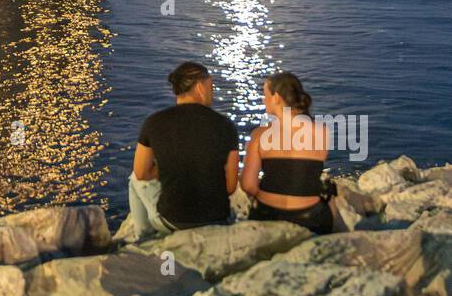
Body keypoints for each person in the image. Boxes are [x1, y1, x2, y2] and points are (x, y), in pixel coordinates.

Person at [129, 60, 240, 236]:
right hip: (217, 219)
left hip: (172, 221)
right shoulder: (226, 125)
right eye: (211, 87)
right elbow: (231, 186)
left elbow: (142, 173)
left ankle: (142, 236)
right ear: (200, 88)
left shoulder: (154, 122)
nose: (213, 93)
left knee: (134, 178)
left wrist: (167, 168)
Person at [240, 71, 333, 234]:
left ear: (276, 97)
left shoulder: (259, 135)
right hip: (311, 218)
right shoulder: (322, 132)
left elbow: (248, 185)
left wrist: (265, 196)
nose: (264, 100)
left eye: (265, 94)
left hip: (267, 215)